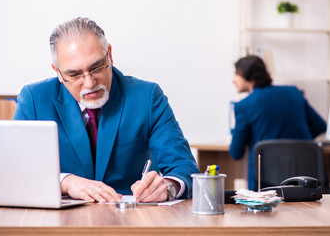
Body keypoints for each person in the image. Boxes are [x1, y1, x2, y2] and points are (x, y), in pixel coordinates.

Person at [13, 17, 199, 203]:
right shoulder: (34, 100)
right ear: (58, 73)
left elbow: (184, 168)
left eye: (97, 67)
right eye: (74, 74)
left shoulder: (147, 97)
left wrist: (168, 187)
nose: (90, 83)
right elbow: (14, 171)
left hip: (130, 219)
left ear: (109, 54)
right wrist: (65, 182)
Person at [229, 55, 327, 191]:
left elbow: (236, 152)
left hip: (264, 191)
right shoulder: (293, 92)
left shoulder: (244, 106)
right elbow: (320, 126)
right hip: (305, 183)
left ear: (249, 77)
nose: (233, 80)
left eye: (236, 74)